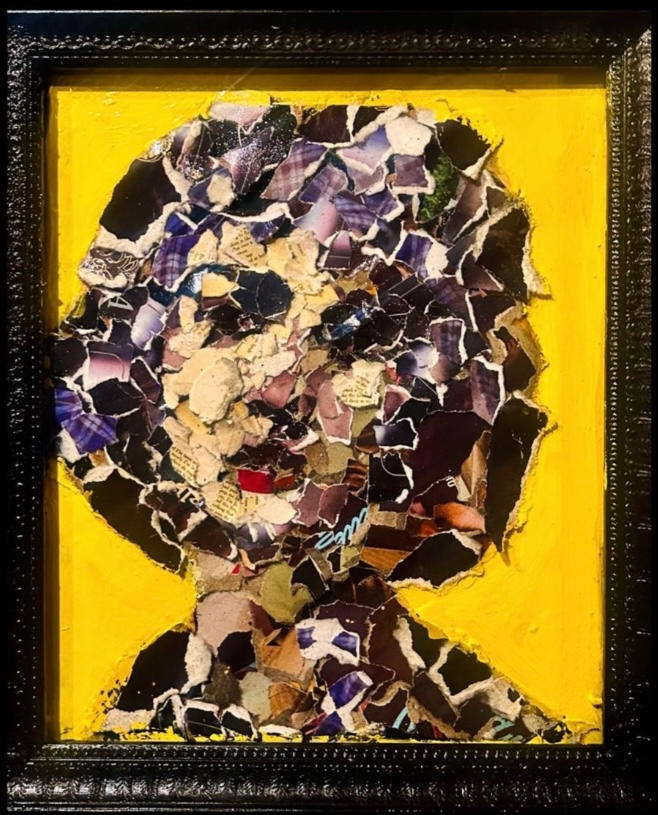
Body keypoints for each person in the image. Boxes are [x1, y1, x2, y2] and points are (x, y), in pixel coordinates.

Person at [53, 101, 567, 743]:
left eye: (354, 344)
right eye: (229, 324)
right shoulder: (105, 752)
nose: (279, 393)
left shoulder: (521, 751)